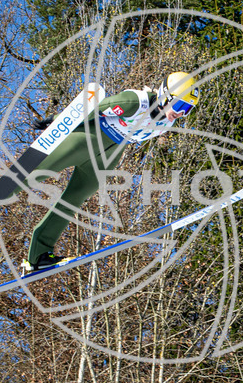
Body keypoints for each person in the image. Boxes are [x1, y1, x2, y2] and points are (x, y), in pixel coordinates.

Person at [21, 71, 200, 271]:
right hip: (88, 138)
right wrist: (58, 119)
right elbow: (95, 110)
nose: (181, 113)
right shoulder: (136, 101)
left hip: (111, 153)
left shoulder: (166, 123)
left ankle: (39, 255)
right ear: (166, 95)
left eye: (188, 110)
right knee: (37, 173)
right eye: (180, 106)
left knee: (76, 196)